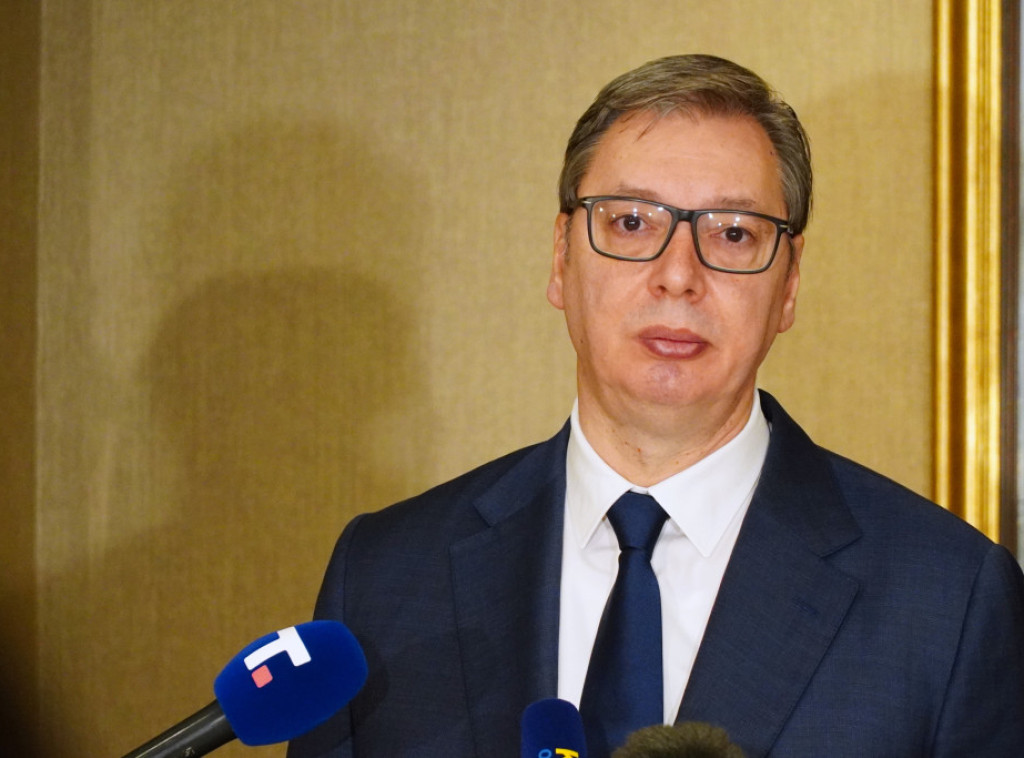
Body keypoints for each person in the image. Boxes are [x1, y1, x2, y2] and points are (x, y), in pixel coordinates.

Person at [288, 54, 1024, 757]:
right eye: (632, 223)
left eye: (732, 234)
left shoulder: (950, 602)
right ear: (560, 257)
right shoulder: (385, 576)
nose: (678, 276)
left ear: (789, 284)